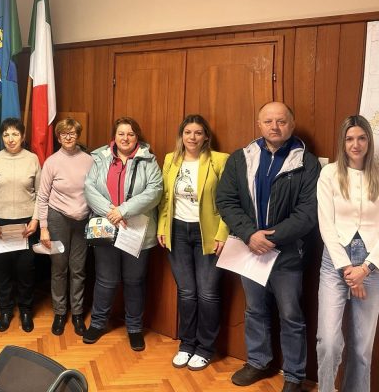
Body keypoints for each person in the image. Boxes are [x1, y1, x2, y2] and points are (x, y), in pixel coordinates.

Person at [216, 101, 319, 392]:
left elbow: (308, 213)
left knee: (291, 315)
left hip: (288, 255)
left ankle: (295, 375)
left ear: (292, 124)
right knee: (255, 310)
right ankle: (258, 362)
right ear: (259, 124)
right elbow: (226, 200)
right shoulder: (240, 158)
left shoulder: (307, 163)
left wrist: (270, 237)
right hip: (250, 251)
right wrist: (250, 234)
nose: (275, 127)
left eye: (281, 121)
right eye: (269, 121)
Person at [83, 116, 163, 352]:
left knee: (134, 281)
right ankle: (98, 323)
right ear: (114, 136)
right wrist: (112, 212)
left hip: (136, 231)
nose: (125, 138)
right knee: (105, 280)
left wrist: (124, 210)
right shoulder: (100, 158)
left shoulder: (148, 160)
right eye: (121, 133)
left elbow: (155, 191)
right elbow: (89, 188)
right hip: (105, 228)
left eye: (130, 134)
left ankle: (134, 328)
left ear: (137, 137)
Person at [156, 114, 229, 371]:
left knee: (207, 293)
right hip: (177, 231)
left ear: (206, 136)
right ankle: (187, 344)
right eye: (188, 132)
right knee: (186, 292)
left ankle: (205, 348)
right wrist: (162, 227)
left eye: (198, 132)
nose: (193, 137)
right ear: (181, 135)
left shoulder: (219, 160)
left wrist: (222, 233)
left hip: (207, 234)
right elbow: (165, 198)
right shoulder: (170, 159)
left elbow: (229, 200)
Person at [316, 115, 379, 392]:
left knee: (362, 347)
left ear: (369, 141)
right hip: (335, 261)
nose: (356, 144)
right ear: (342, 142)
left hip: (371, 264)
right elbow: (325, 224)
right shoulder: (329, 174)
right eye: (350, 138)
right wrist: (347, 269)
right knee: (328, 342)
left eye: (362, 138)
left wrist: (366, 268)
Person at [0, 118, 41, 333]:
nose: (11, 139)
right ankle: (5, 310)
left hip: (26, 225)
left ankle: (26, 310)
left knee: (25, 270)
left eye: (15, 134)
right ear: (2, 137)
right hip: (0, 225)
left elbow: (41, 194)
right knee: (3, 269)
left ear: (23, 136)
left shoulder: (32, 159)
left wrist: (35, 220)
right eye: (6, 134)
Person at [36, 118, 93, 336]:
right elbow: (42, 197)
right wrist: (44, 228)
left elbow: (95, 191)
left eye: (72, 133)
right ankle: (60, 313)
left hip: (82, 220)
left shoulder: (89, 160)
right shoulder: (52, 162)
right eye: (63, 134)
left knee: (78, 269)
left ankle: (77, 313)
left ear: (78, 135)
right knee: (59, 268)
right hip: (57, 219)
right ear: (58, 137)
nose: (68, 137)